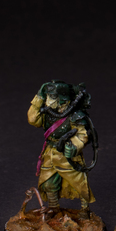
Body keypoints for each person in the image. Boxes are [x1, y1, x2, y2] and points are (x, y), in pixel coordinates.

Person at [28, 80, 95, 218]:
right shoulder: (48, 113)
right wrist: (39, 97)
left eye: (52, 96)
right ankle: (54, 208)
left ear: (62, 99)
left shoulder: (75, 115)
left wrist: (74, 146)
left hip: (68, 156)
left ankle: (85, 210)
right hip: (50, 153)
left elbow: (82, 135)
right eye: (48, 96)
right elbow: (33, 119)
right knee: (48, 183)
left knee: (79, 183)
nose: (49, 100)